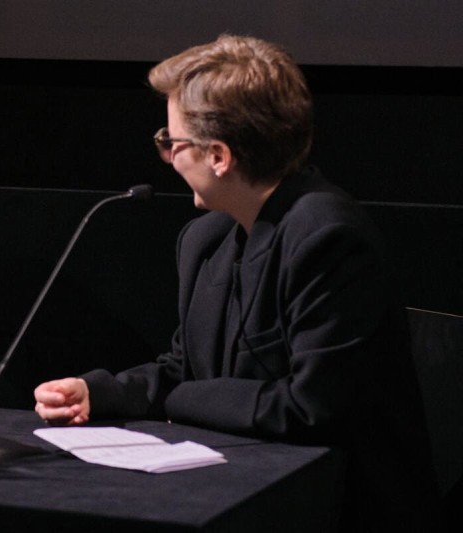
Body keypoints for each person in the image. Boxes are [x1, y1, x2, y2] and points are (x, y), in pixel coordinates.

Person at [34, 35, 441, 530]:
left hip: (337, 510)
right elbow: (186, 366)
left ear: (219, 156)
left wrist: (175, 400)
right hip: (234, 493)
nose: (167, 156)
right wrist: (99, 393)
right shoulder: (206, 240)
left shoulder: (328, 236)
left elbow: (311, 409)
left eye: (172, 143)